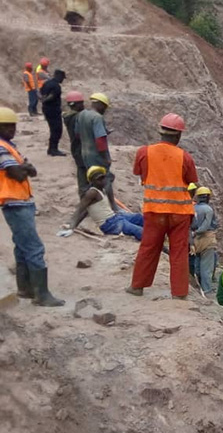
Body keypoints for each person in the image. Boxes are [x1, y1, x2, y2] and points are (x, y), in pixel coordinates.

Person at [126, 113, 198, 298]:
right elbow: (191, 181)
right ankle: (180, 293)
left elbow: (139, 173)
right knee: (179, 252)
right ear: (179, 135)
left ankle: (137, 286)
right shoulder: (185, 157)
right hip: (180, 212)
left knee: (148, 247)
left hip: (154, 211)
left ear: (160, 132)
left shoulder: (144, 152)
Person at [0, 107, 64, 306]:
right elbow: (19, 174)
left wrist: (24, 168)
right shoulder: (2, 148)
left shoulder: (10, 146)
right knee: (34, 247)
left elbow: (30, 171)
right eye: (7, 126)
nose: (12, 130)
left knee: (22, 246)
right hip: (14, 202)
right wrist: (24, 168)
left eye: (13, 126)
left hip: (19, 201)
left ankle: (25, 288)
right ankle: (41, 295)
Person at [60, 166, 144, 241]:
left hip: (115, 218)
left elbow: (85, 211)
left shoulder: (101, 190)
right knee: (138, 230)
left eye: (103, 178)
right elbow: (80, 209)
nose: (102, 181)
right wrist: (71, 227)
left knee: (140, 218)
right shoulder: (92, 192)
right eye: (99, 179)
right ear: (92, 181)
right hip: (109, 223)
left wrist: (73, 226)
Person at [75, 93, 117, 209]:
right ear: (99, 104)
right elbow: (100, 140)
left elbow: (78, 134)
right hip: (96, 155)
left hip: (85, 153)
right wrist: (105, 157)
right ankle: (112, 206)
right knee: (105, 178)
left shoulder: (82, 114)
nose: (105, 110)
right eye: (105, 107)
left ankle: (88, 204)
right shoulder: (97, 117)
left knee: (90, 179)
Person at [191, 186, 218, 293]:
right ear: (208, 197)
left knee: (197, 264)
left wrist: (193, 233)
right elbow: (206, 226)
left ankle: (198, 287)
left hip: (194, 240)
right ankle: (206, 289)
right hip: (207, 239)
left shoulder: (193, 208)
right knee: (206, 267)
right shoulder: (208, 210)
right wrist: (197, 232)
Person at [62, 91, 86, 197]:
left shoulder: (69, 117)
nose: (83, 105)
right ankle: (85, 196)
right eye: (80, 103)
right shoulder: (76, 118)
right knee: (84, 172)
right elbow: (79, 134)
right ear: (74, 104)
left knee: (82, 171)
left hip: (76, 148)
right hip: (80, 147)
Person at [40, 69, 66, 157]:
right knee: (57, 130)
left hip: (46, 109)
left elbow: (41, 93)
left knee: (53, 129)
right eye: (62, 77)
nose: (63, 80)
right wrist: (45, 101)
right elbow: (51, 96)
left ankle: (51, 149)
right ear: (59, 76)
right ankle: (53, 149)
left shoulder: (46, 83)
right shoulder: (56, 86)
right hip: (53, 110)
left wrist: (43, 101)